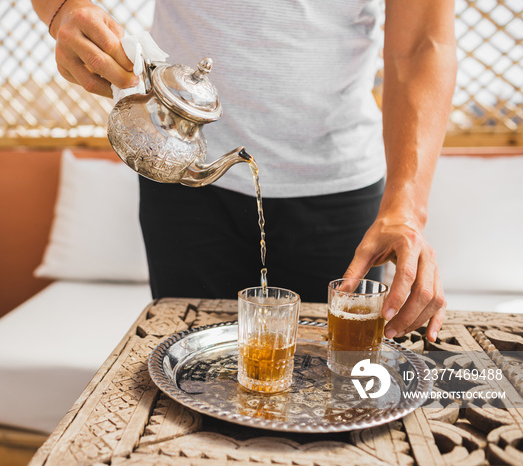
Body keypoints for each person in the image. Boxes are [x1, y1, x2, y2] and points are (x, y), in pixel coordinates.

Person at [31, 0, 457, 343]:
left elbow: (422, 42)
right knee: (184, 389)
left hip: (339, 196)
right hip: (182, 177)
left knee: (335, 394)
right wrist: (62, 9)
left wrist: (407, 209)